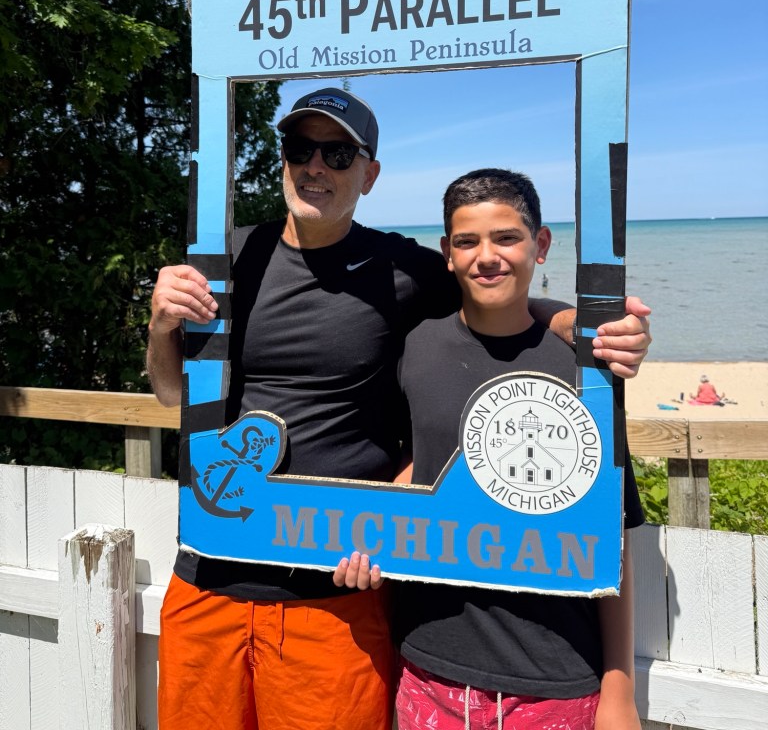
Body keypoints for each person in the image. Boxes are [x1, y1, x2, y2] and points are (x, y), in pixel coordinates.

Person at [147, 89, 651, 730]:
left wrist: (581, 325)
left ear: (370, 173)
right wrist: (162, 326)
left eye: (337, 152)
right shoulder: (228, 258)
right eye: (300, 149)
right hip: (209, 569)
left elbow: (493, 285)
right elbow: (171, 393)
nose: (315, 167)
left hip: (335, 583)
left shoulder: (403, 268)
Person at [336, 169, 643, 730]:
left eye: (507, 237)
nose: (487, 257)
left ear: (541, 245)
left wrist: (619, 692)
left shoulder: (589, 374)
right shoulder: (415, 348)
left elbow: (612, 539)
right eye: (467, 241)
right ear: (447, 254)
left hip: (557, 681)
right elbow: (410, 466)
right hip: (427, 671)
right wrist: (367, 534)